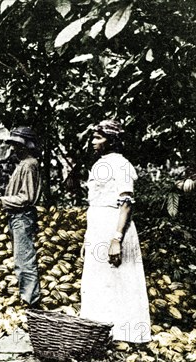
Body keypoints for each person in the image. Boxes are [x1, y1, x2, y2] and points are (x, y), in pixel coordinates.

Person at [80, 119, 151, 343]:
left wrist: (116, 238)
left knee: (120, 279)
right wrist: (87, 237)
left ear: (112, 141)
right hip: (98, 226)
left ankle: (125, 334)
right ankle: (100, 333)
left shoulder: (121, 164)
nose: (93, 141)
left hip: (113, 226)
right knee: (100, 280)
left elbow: (126, 203)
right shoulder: (101, 163)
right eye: (94, 137)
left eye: (99, 138)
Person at [0, 126, 42, 308]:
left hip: (22, 216)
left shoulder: (30, 164)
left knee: (24, 260)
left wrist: (1, 201)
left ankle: (31, 302)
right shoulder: (23, 165)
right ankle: (27, 298)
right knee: (20, 260)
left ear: (27, 146)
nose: (14, 149)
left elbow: (27, 198)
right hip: (17, 216)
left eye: (18, 145)